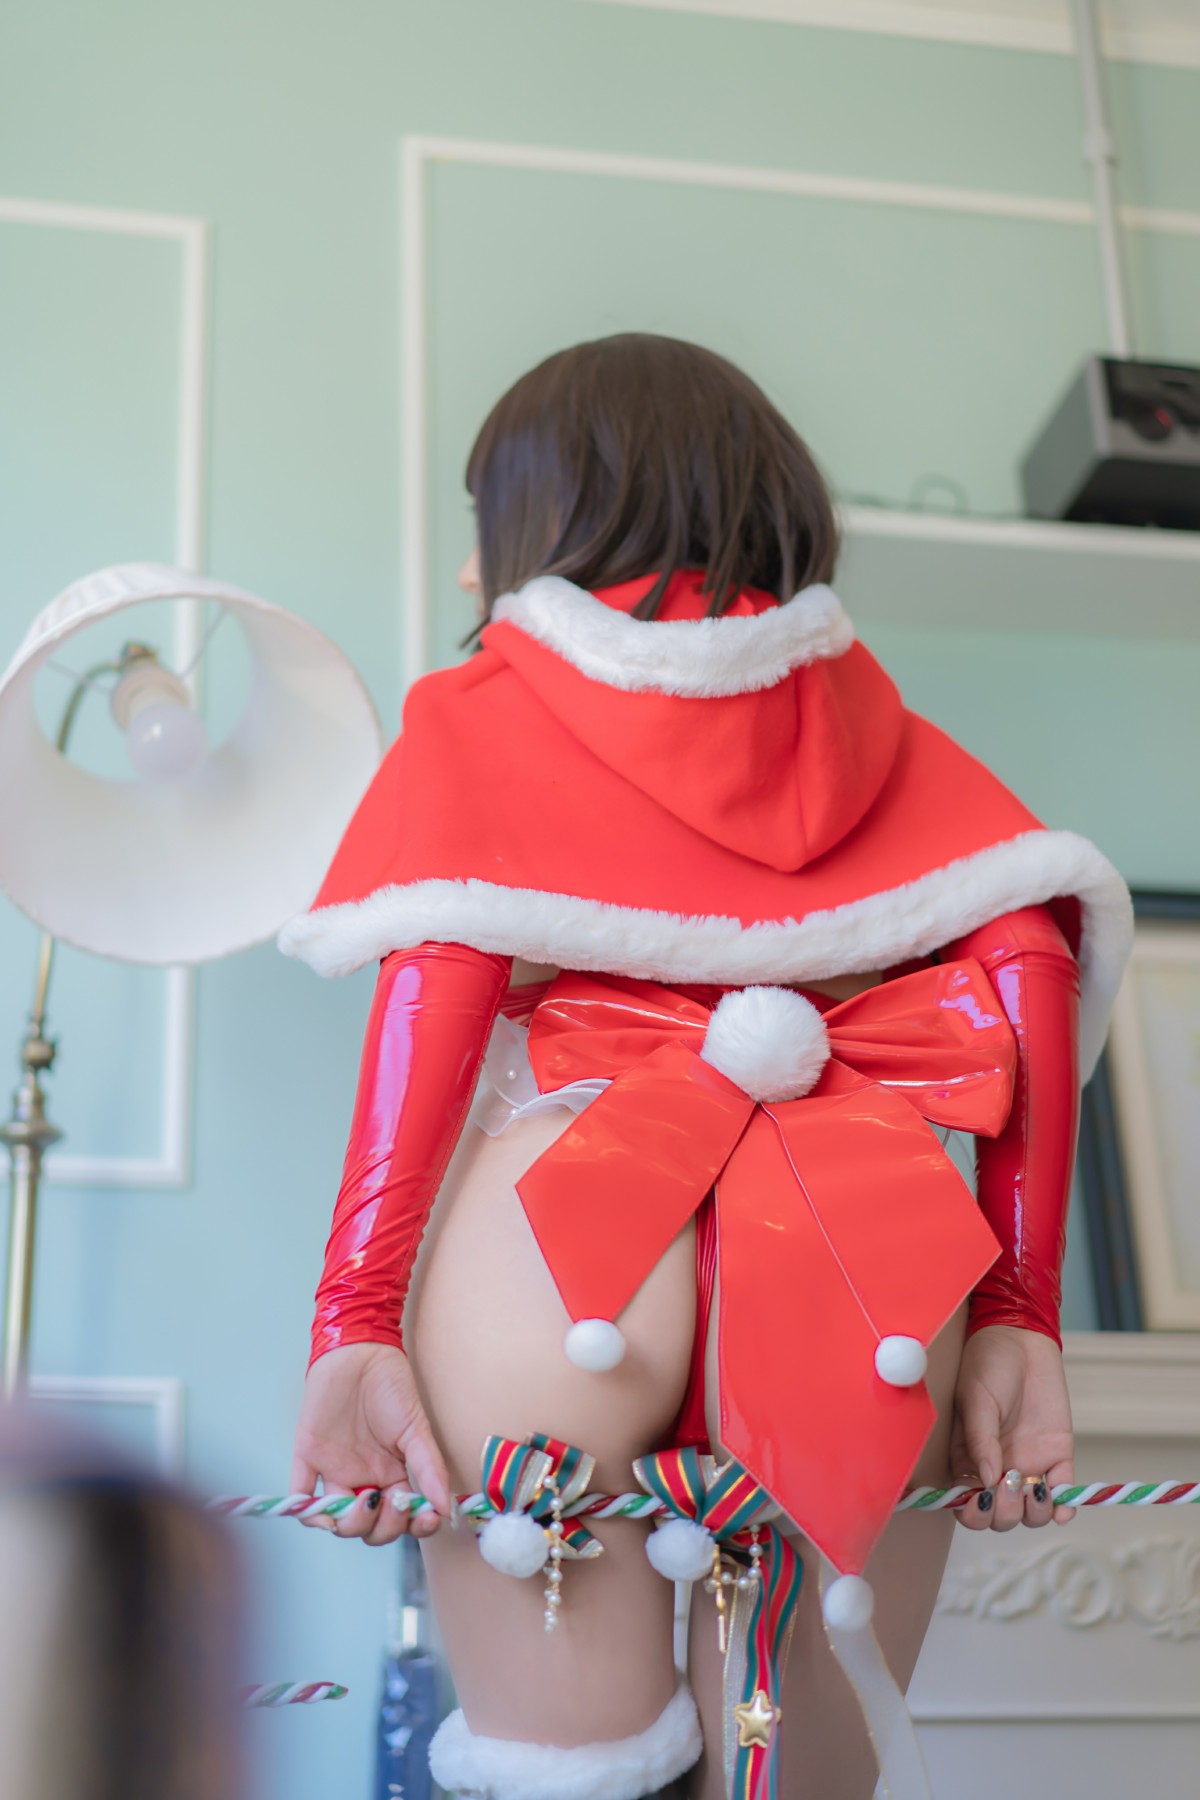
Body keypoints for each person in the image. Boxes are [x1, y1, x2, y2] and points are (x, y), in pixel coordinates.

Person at [282, 334, 1131, 1800]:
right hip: (854, 1248)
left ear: (547, 522)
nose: (475, 573)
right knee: (797, 1773)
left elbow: (441, 975)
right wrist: (1020, 1313)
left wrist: (353, 1317)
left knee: (561, 1776)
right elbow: (1028, 959)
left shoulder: (485, 706)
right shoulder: (886, 730)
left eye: (486, 526)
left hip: (567, 1239)